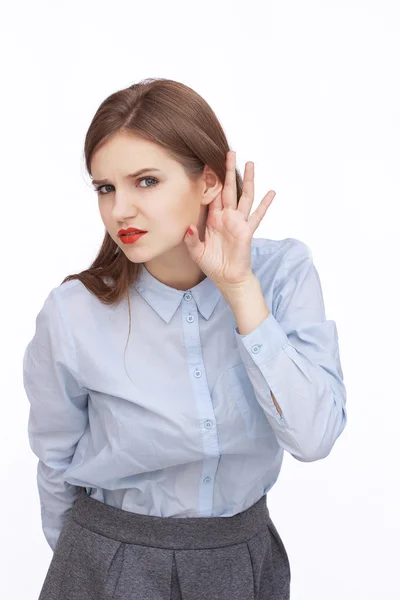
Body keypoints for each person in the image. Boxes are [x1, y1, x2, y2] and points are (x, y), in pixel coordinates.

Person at [22, 77, 347, 600]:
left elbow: (314, 437)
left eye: (145, 181)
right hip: (107, 562)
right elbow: (55, 467)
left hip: (244, 560)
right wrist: (84, 574)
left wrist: (240, 290)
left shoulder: (283, 272)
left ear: (211, 183)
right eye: (105, 188)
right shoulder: (73, 313)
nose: (120, 210)